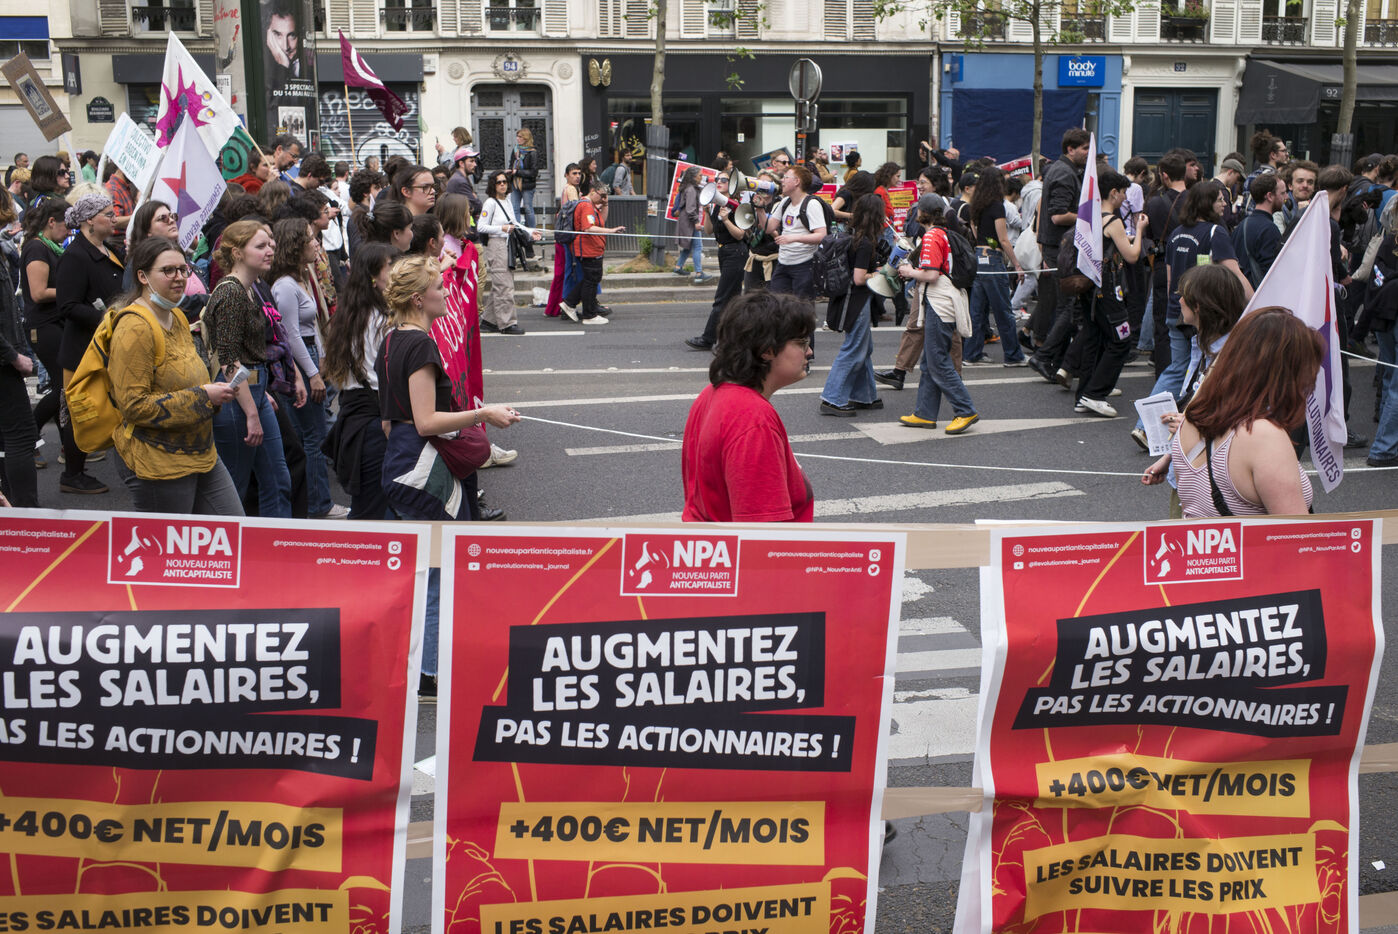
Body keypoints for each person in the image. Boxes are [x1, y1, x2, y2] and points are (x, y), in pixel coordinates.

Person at [376, 254, 521, 522]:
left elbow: (388, 424)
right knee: (444, 544)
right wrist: (484, 414)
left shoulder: (390, 340)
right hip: (422, 470)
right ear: (418, 299)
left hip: (399, 463)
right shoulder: (421, 345)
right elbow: (425, 423)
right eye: (440, 287)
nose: (446, 293)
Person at [104, 236, 241, 513]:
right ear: (142, 276)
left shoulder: (176, 315)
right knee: (167, 541)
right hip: (157, 461)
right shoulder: (134, 328)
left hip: (202, 452)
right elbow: (134, 406)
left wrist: (211, 392)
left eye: (182, 269)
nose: (179, 277)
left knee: (232, 530)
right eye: (168, 270)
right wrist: (203, 396)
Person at [1143, 308, 1319, 517]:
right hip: (1253, 540)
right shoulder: (1263, 436)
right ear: (1287, 373)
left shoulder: (1193, 415)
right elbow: (1297, 531)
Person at [681, 291, 816, 522]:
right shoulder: (753, 419)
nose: (809, 352)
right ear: (767, 350)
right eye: (801, 343)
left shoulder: (713, 393)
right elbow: (761, 535)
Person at [205, 219, 295, 517]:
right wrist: (252, 412)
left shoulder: (249, 288)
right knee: (234, 487)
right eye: (260, 246)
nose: (270, 250)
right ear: (237, 253)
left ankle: (275, 541)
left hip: (253, 391)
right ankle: (226, 544)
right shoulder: (230, 293)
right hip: (236, 397)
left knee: (277, 480)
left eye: (270, 244)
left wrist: (260, 393)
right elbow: (230, 361)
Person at [268, 217, 343, 519]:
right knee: (313, 437)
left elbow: (310, 327)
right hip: (301, 360)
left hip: (310, 354)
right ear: (294, 245)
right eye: (310, 239)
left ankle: (311, 503)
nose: (316, 243)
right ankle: (319, 504)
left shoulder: (300, 278)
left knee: (310, 434)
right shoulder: (285, 286)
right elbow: (291, 334)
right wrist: (312, 373)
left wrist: (321, 358)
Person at [55, 193, 125, 495]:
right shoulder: (75, 256)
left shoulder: (110, 249)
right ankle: (72, 474)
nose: (114, 218)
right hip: (83, 350)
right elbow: (67, 305)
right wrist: (107, 318)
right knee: (81, 411)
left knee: (107, 408)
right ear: (88, 221)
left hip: (107, 346)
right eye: (108, 214)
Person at [323, 242, 396, 518]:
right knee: (372, 510)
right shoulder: (378, 321)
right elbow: (383, 380)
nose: (398, 272)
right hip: (373, 421)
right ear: (373, 277)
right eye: (391, 267)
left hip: (359, 415)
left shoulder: (356, 312)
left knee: (372, 505)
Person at [897, 195, 978, 435]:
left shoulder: (932, 236)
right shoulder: (944, 233)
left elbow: (931, 274)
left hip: (938, 301)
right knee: (931, 360)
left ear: (923, 213)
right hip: (946, 300)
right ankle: (924, 412)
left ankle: (965, 410)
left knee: (937, 360)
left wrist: (909, 271)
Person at [1073, 169, 1148, 417]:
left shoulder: (1089, 217)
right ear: (1113, 193)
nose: (1125, 198)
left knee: (1093, 340)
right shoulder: (1113, 221)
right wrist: (1140, 230)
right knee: (1121, 341)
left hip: (1088, 287)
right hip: (1107, 290)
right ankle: (1095, 394)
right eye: (1123, 192)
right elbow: (1132, 255)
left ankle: (1084, 395)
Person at [819, 193, 885, 416]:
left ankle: (864, 396)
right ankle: (832, 398)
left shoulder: (854, 236)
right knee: (855, 348)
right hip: (856, 300)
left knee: (864, 348)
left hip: (851, 299)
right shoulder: (865, 242)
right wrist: (879, 273)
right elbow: (859, 278)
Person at [21, 198, 72, 474]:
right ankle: (28, 437)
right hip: (43, 326)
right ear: (52, 222)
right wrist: (73, 291)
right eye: (66, 225)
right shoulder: (37, 248)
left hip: (54, 323)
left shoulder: (50, 247)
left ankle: (68, 447)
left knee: (61, 385)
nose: (69, 231)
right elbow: (39, 292)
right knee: (64, 386)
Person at [962, 165, 1026, 366]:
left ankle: (971, 354)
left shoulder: (976, 205)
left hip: (979, 257)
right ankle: (1013, 355)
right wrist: (1017, 264)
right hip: (993, 258)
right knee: (1003, 311)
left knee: (977, 311)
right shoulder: (997, 206)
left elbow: (974, 231)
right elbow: (1003, 239)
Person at [686, 168, 751, 351]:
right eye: (717, 180)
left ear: (732, 184)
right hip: (724, 252)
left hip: (736, 252)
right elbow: (709, 231)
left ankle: (708, 339)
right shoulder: (717, 205)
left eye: (723, 180)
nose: (718, 182)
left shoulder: (737, 206)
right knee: (732, 299)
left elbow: (740, 235)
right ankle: (736, 338)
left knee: (722, 298)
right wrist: (707, 213)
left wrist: (727, 220)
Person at [0, 186, 37, 506]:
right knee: (21, 435)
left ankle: (11, 506)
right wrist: (14, 356)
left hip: (7, 355)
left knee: (7, 437)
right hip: (3, 361)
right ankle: (26, 515)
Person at [479, 171, 542, 336]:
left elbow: (514, 223)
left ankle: (488, 321)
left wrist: (530, 232)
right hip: (497, 245)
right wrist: (502, 228)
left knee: (501, 285)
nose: (502, 185)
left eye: (504, 182)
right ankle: (507, 323)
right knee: (504, 286)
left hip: (507, 245)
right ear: (493, 185)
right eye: (498, 182)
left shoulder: (507, 201)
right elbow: (481, 227)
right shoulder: (490, 203)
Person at [560, 186, 622, 324]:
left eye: (606, 197)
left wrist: (605, 204)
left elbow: (601, 221)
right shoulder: (586, 206)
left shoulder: (591, 205)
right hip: (588, 248)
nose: (603, 199)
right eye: (602, 196)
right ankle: (589, 315)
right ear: (593, 191)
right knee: (591, 280)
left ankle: (570, 303)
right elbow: (588, 227)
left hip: (591, 248)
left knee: (590, 279)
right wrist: (611, 231)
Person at [767, 165, 826, 300]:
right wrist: (759, 209)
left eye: (786, 177)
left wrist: (793, 238)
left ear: (797, 182)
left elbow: (821, 235)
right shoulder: (785, 202)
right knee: (778, 305)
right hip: (783, 263)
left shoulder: (812, 204)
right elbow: (769, 228)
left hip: (804, 264)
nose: (782, 181)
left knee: (802, 307)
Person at [1233, 172, 1287, 288]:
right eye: (1282, 193)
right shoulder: (1269, 230)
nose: (1286, 197)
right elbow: (1272, 274)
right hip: (1259, 295)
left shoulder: (1242, 225)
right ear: (1269, 196)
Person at [672, 166, 706, 281]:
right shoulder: (691, 189)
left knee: (689, 246)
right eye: (700, 175)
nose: (702, 177)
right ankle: (699, 273)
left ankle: (678, 267)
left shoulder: (687, 187)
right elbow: (691, 209)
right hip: (690, 222)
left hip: (686, 221)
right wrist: (696, 221)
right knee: (697, 247)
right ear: (694, 177)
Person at [264, 0, 304, 87]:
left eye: (292, 35)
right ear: (268, 36)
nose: (286, 47)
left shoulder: (309, 65)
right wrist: (283, 65)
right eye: (278, 35)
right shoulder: (263, 69)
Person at [506, 128, 539, 230]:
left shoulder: (532, 152)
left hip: (527, 185)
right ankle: (517, 231)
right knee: (514, 208)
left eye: (520, 137)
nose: (517, 138)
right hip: (515, 183)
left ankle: (532, 232)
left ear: (526, 138)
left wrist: (517, 172)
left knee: (528, 209)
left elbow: (533, 172)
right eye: (517, 136)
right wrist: (510, 171)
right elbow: (512, 164)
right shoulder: (515, 150)